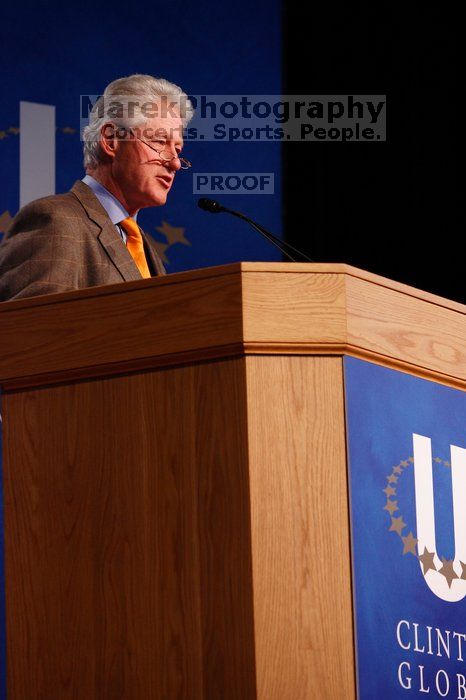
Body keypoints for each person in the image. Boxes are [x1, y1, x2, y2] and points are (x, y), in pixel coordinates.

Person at [0, 74, 193, 301]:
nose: (175, 163)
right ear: (111, 140)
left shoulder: (143, 246)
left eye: (178, 150)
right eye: (160, 142)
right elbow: (31, 328)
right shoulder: (56, 220)